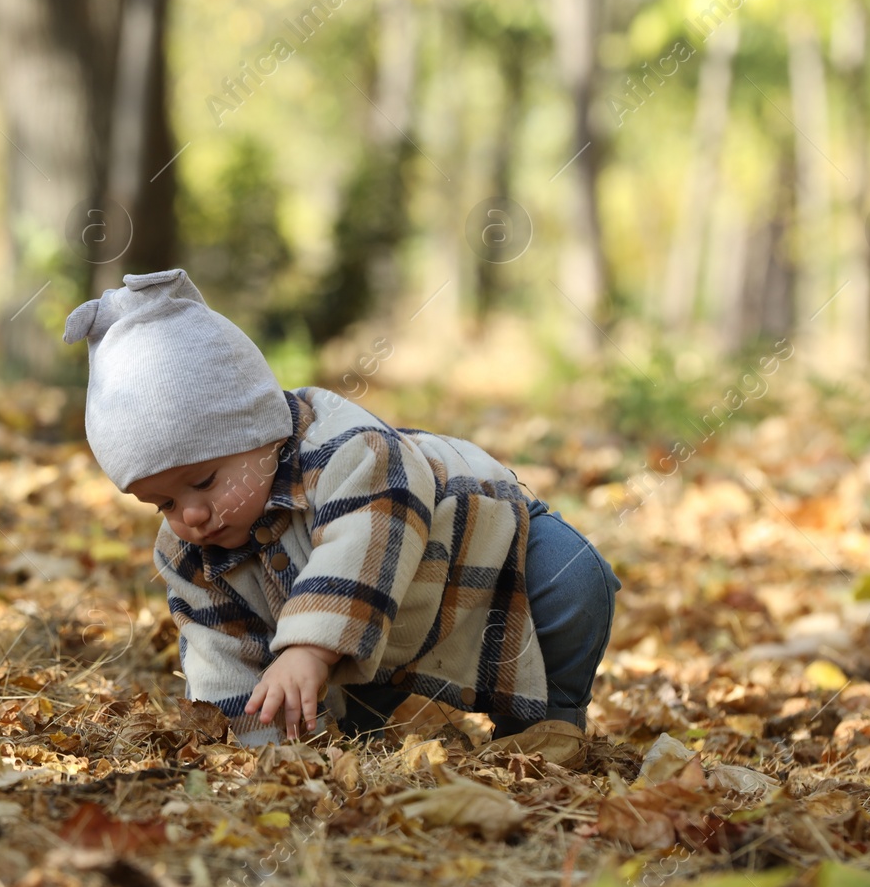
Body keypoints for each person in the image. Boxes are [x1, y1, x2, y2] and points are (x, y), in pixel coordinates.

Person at [62, 269, 619, 764]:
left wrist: (308, 648)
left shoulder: (353, 453)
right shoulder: (189, 549)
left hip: (487, 563)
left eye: (204, 482)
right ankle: (355, 731)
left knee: (572, 577)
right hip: (375, 642)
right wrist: (258, 752)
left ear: (264, 431)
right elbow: (219, 651)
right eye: (162, 503)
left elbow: (365, 540)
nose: (193, 514)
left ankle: (546, 726)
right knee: (326, 712)